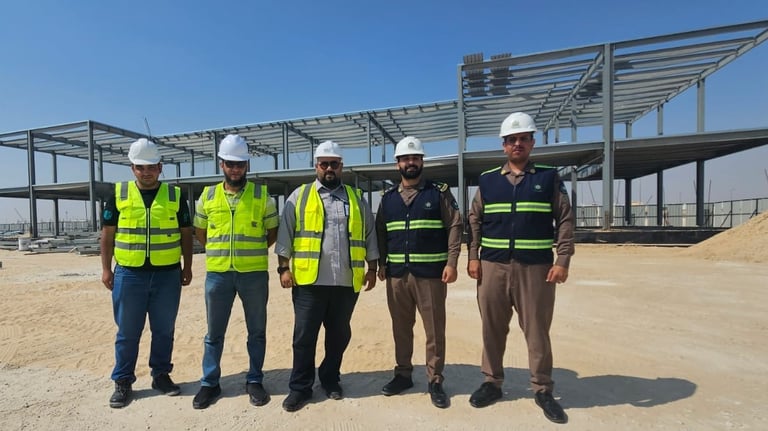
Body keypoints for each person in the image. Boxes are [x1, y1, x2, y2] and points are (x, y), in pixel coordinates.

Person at [466, 112, 574, 424]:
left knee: (537, 330)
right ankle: (492, 382)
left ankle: (542, 388)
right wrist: (473, 256)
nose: (517, 143)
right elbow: (475, 220)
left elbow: (565, 219)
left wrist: (563, 260)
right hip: (493, 266)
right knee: (492, 328)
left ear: (532, 142)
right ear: (503, 145)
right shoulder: (488, 180)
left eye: (523, 138)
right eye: (512, 139)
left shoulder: (549, 178)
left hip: (535, 269)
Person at [275, 140, 379, 412]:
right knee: (304, 337)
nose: (329, 168)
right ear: (316, 166)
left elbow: (369, 234)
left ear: (341, 166)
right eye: (324, 164)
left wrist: (372, 268)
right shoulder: (300, 196)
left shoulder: (356, 198)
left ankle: (330, 379)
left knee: (339, 336)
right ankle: (300, 388)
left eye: (334, 164)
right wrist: (284, 268)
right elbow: (285, 234)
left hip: (345, 282)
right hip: (309, 283)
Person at [100, 138, 193, 408]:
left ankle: (160, 375)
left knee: (164, 330)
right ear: (132, 168)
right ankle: (123, 380)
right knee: (128, 331)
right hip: (129, 274)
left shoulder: (175, 196)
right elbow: (107, 234)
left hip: (167, 275)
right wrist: (106, 268)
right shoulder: (119, 194)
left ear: (160, 167)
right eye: (140, 167)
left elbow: (186, 234)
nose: (146, 172)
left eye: (151, 167)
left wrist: (188, 266)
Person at [191, 134, 279, 409]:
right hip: (218, 274)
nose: (235, 169)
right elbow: (200, 232)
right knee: (213, 333)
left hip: (253, 274)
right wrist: (219, 251)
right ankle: (210, 383)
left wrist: (249, 250)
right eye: (230, 164)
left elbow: (272, 232)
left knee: (257, 331)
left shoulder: (262, 196)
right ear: (221, 164)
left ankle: (254, 379)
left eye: (240, 164)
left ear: (247, 165)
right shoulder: (208, 195)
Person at [375, 136, 463, 409]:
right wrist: (380, 263)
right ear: (398, 164)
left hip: (431, 275)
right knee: (401, 328)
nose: (410, 162)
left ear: (422, 161)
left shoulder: (438, 193)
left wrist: (452, 262)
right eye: (405, 158)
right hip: (397, 275)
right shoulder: (388, 199)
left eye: (415, 158)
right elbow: (380, 232)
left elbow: (455, 225)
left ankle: (435, 380)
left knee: (434, 329)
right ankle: (403, 374)